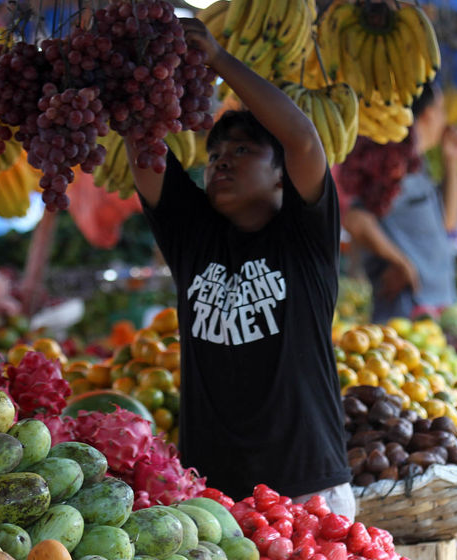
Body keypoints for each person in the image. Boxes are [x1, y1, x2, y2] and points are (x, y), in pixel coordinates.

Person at [127, 18, 353, 517]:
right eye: (215, 155)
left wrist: (218, 60)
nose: (221, 162)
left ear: (281, 178)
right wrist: (141, 71)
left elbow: (303, 140)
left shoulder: (304, 238)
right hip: (212, 498)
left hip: (306, 489)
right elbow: (144, 154)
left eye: (243, 151)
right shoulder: (194, 238)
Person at [341, 84, 457, 322]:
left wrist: (452, 160)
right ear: (428, 114)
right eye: (442, 110)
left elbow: (449, 222)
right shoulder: (391, 165)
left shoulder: (418, 165)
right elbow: (355, 220)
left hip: (434, 305)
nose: (445, 119)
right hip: (405, 307)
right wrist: (402, 263)